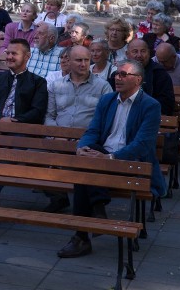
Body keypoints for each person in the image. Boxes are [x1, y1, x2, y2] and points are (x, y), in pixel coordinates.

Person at [56, 59, 166, 259]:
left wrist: (110, 157)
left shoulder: (150, 106)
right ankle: (94, 212)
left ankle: (82, 235)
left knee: (86, 170)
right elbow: (93, 131)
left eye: (124, 74)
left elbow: (142, 145)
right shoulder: (107, 100)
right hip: (101, 158)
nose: (118, 77)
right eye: (116, 74)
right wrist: (82, 147)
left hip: (130, 162)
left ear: (138, 80)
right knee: (86, 161)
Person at [0, 38, 48, 206]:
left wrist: (13, 121)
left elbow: (37, 112)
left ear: (27, 56)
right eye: (8, 53)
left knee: (9, 153)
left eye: (14, 53)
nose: (9, 57)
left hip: (21, 130)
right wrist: (0, 120)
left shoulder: (38, 82)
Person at [43, 45, 113, 212]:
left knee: (87, 160)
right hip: (59, 139)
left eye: (86, 60)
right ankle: (58, 197)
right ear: (68, 61)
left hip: (87, 141)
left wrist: (86, 138)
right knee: (34, 157)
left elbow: (107, 120)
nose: (83, 64)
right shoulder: (55, 85)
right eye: (78, 60)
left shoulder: (103, 87)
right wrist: (57, 135)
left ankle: (90, 209)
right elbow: (48, 116)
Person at [116, 39, 175, 115]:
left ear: (149, 53)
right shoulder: (119, 73)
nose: (139, 55)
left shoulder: (159, 73)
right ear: (127, 54)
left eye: (143, 51)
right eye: (135, 51)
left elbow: (167, 104)